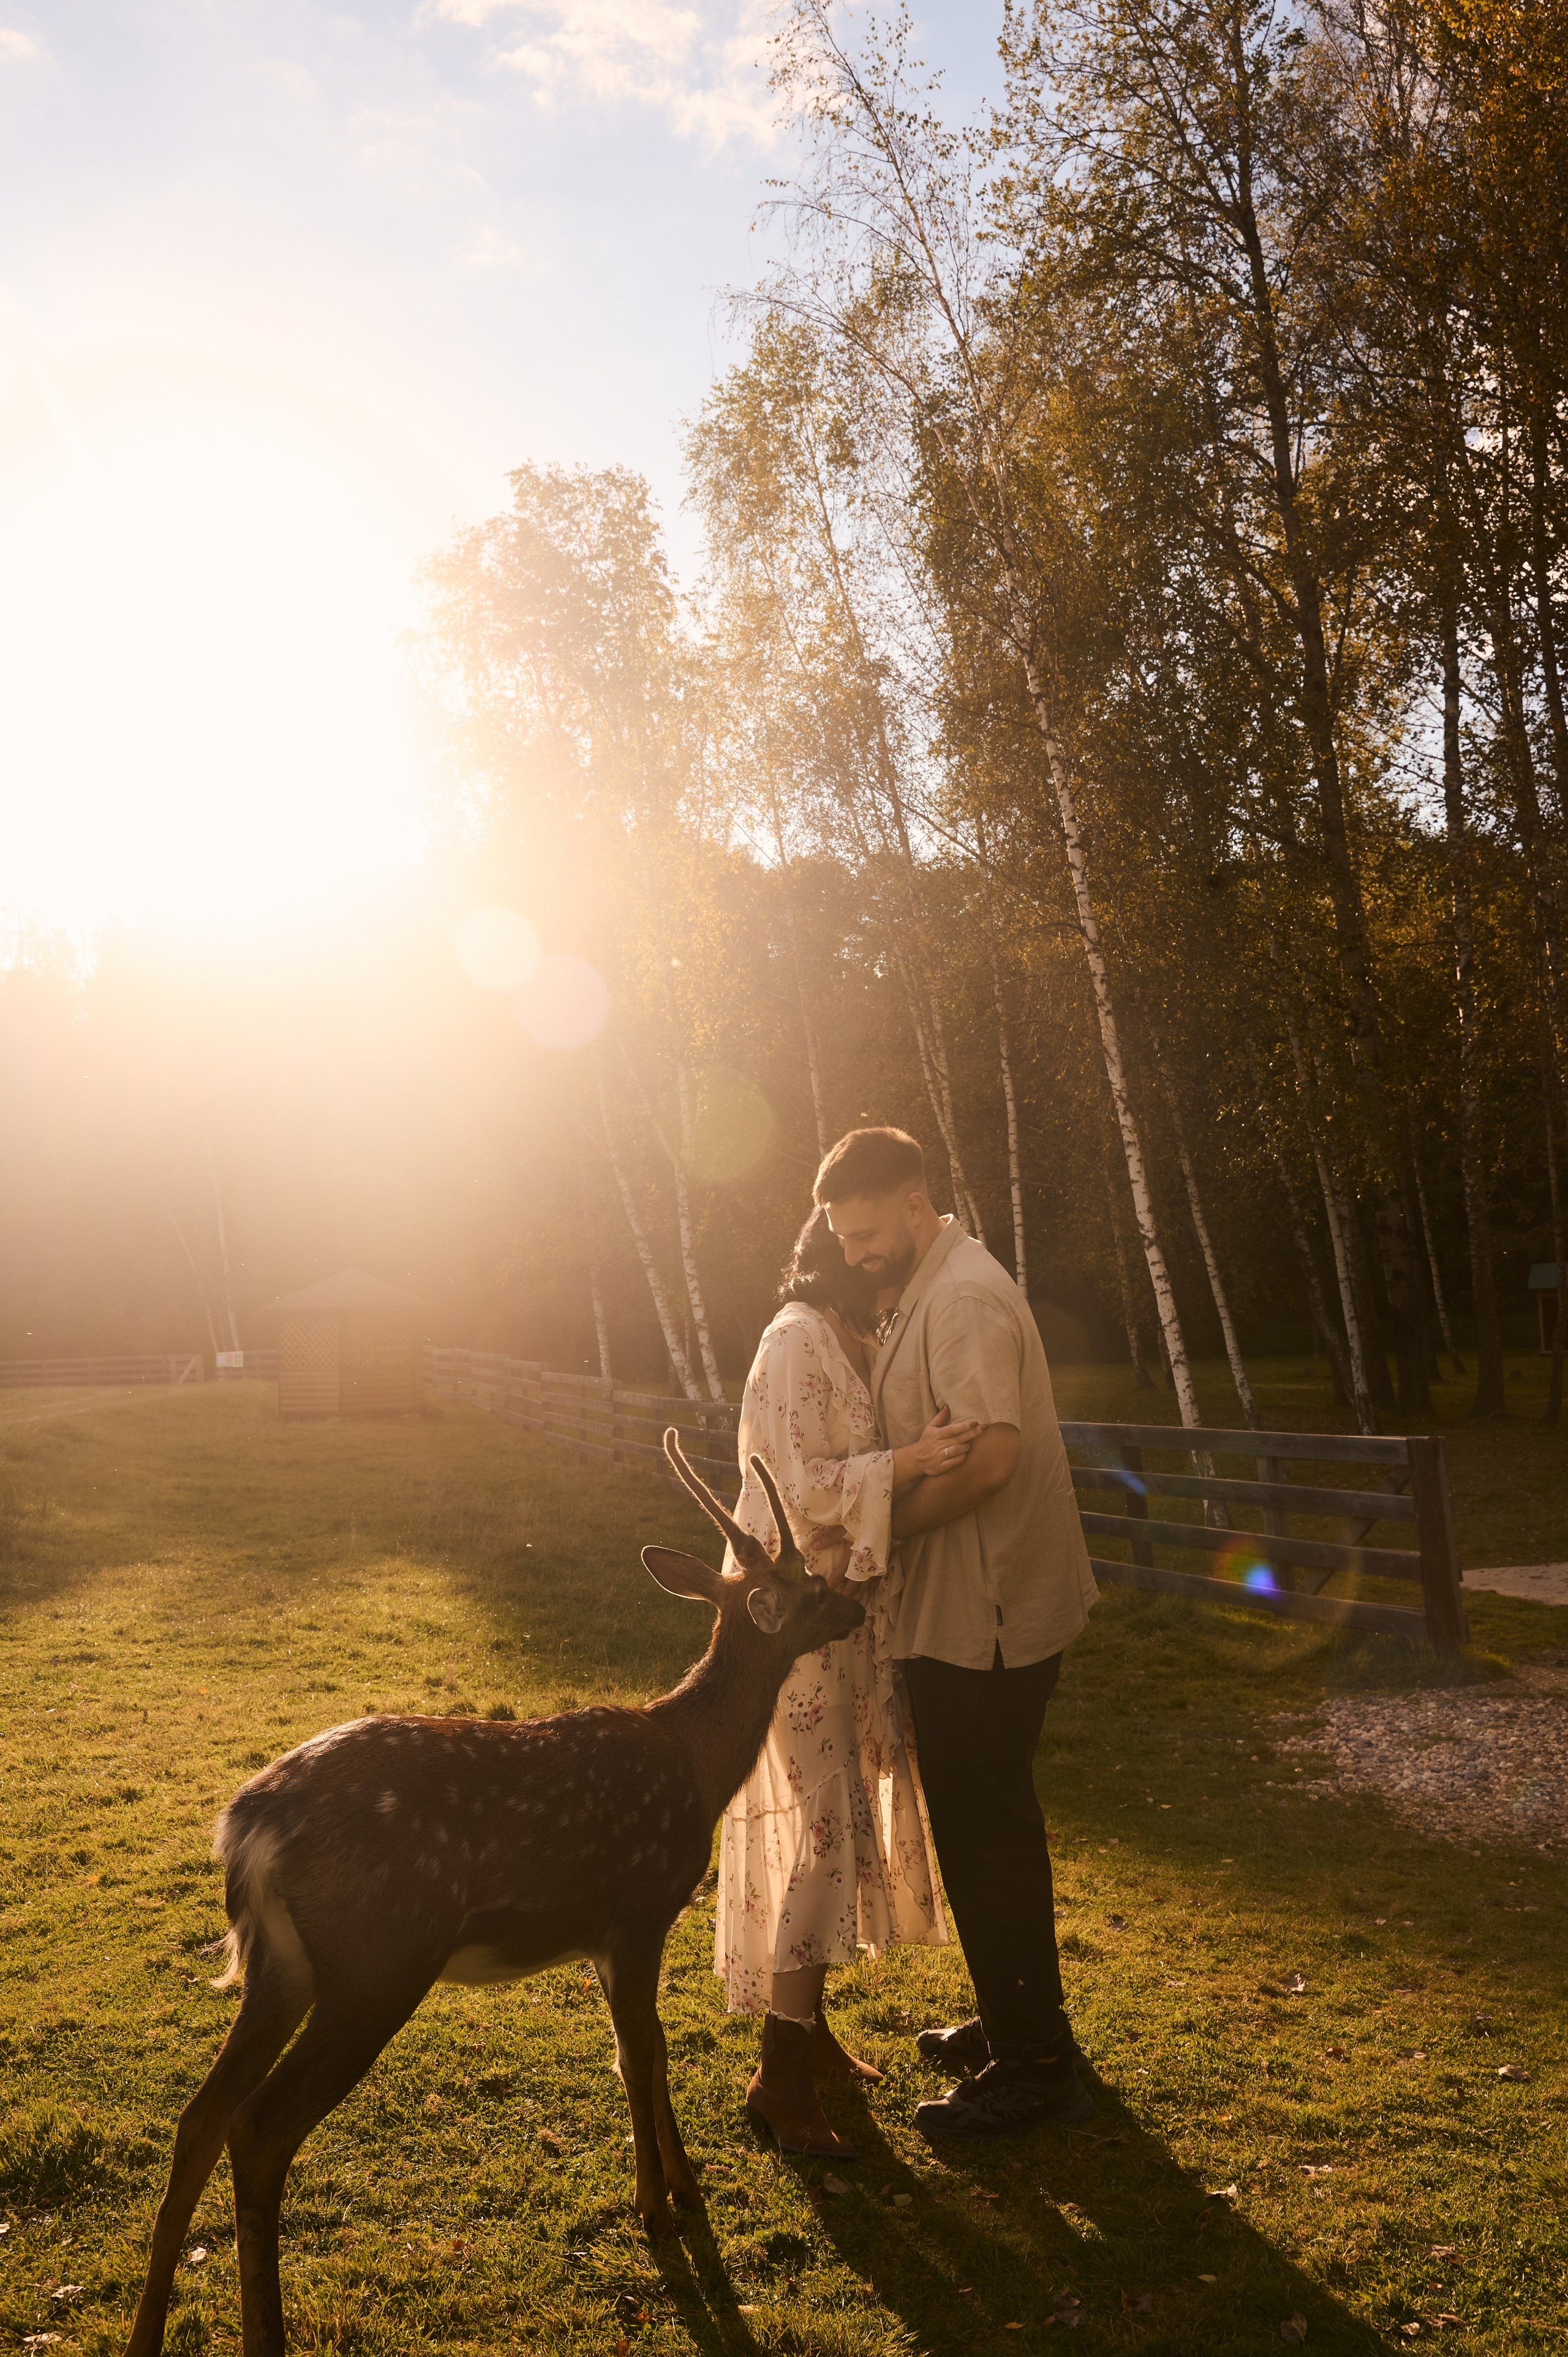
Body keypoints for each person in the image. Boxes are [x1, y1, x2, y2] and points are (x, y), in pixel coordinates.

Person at [816, 1125, 1100, 2142]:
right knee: (986, 1822)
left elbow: (989, 1465)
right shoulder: (927, 1286)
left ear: (912, 1201)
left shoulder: (965, 1297)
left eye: (862, 1232)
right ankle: (1021, 2019)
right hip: (967, 1604)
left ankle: (1036, 2069)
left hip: (987, 1613)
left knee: (987, 1833)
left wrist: (873, 1535)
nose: (851, 1253)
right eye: (840, 1239)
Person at [716, 1207, 976, 2159]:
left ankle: (809, 2034)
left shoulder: (839, 1338)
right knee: (820, 1830)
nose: (887, 1281)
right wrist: (903, 1464)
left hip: (833, 1619)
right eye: (870, 1266)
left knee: (829, 1824)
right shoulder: (794, 1341)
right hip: (790, 1627)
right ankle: (777, 2080)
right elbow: (790, 1482)